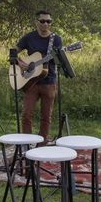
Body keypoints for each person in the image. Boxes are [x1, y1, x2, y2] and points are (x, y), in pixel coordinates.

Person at [16, 10, 63, 145]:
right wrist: (21, 64)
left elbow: (59, 59)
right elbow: (13, 52)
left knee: (46, 117)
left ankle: (41, 145)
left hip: (49, 82)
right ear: (36, 22)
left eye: (49, 21)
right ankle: (26, 143)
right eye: (42, 21)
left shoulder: (56, 39)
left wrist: (58, 57)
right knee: (26, 114)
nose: (46, 24)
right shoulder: (29, 37)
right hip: (30, 82)